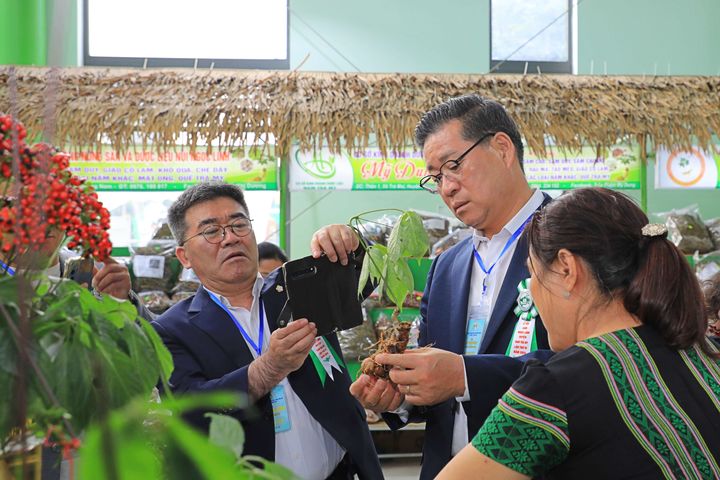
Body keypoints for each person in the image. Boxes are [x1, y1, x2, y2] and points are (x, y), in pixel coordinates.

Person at [438, 187, 720, 479]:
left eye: (532, 273)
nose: (531, 289)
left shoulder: (554, 389)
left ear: (566, 269)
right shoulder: (706, 353)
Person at [343, 94, 553, 478]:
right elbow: (438, 384)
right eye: (436, 177)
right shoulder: (446, 266)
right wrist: (400, 397)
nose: (447, 187)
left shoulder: (575, 239)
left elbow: (595, 362)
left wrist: (466, 376)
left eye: (453, 165)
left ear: (502, 149)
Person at [152, 183, 382, 480]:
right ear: (184, 256)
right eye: (211, 231)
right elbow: (190, 410)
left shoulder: (297, 288)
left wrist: (349, 242)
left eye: (238, 224)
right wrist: (267, 369)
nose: (230, 238)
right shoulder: (171, 329)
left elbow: (370, 273)